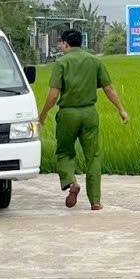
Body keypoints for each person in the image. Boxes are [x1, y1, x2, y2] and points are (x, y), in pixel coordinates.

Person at [37, 29, 129, 211]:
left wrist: (44, 113)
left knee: (64, 152)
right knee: (93, 156)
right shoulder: (95, 61)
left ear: (65, 44)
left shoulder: (61, 63)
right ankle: (95, 201)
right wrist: (121, 109)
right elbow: (108, 88)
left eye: (61, 44)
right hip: (89, 114)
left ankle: (72, 183)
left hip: (68, 114)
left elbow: (54, 94)